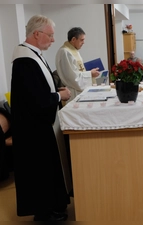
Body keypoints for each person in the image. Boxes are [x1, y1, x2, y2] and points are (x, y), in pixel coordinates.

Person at [11, 15, 72, 221]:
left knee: (47, 169)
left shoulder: (33, 54)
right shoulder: (24, 60)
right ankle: (44, 213)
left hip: (40, 124)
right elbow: (35, 99)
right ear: (37, 34)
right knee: (39, 171)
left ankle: (52, 206)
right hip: (33, 128)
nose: (53, 40)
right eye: (50, 35)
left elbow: (39, 88)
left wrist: (56, 90)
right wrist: (58, 96)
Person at [55, 27, 100, 102]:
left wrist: (89, 73)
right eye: (81, 40)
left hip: (77, 91)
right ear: (73, 39)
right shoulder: (65, 52)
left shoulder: (73, 50)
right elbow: (73, 78)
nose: (83, 42)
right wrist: (90, 74)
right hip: (73, 93)